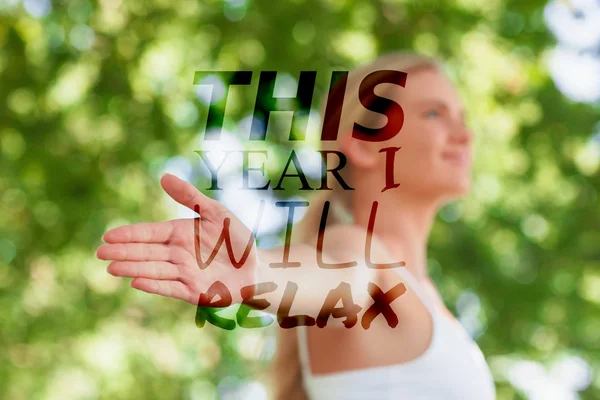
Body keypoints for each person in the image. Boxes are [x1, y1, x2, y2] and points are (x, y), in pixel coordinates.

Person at [97, 52, 496, 399]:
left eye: (462, 117)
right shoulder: (357, 251)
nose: (465, 134)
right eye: (433, 113)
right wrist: (257, 272)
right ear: (361, 143)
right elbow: (341, 279)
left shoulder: (431, 302)